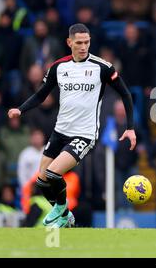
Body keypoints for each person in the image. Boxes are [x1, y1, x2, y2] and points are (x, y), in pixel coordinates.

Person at [8, 23, 137, 228]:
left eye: (87, 42)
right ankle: (65, 214)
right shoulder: (59, 67)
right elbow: (41, 95)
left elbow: (125, 93)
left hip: (84, 135)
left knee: (53, 174)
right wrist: (20, 110)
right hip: (60, 132)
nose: (84, 46)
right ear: (69, 43)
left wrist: (130, 127)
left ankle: (60, 209)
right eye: (79, 42)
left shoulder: (102, 67)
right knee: (41, 181)